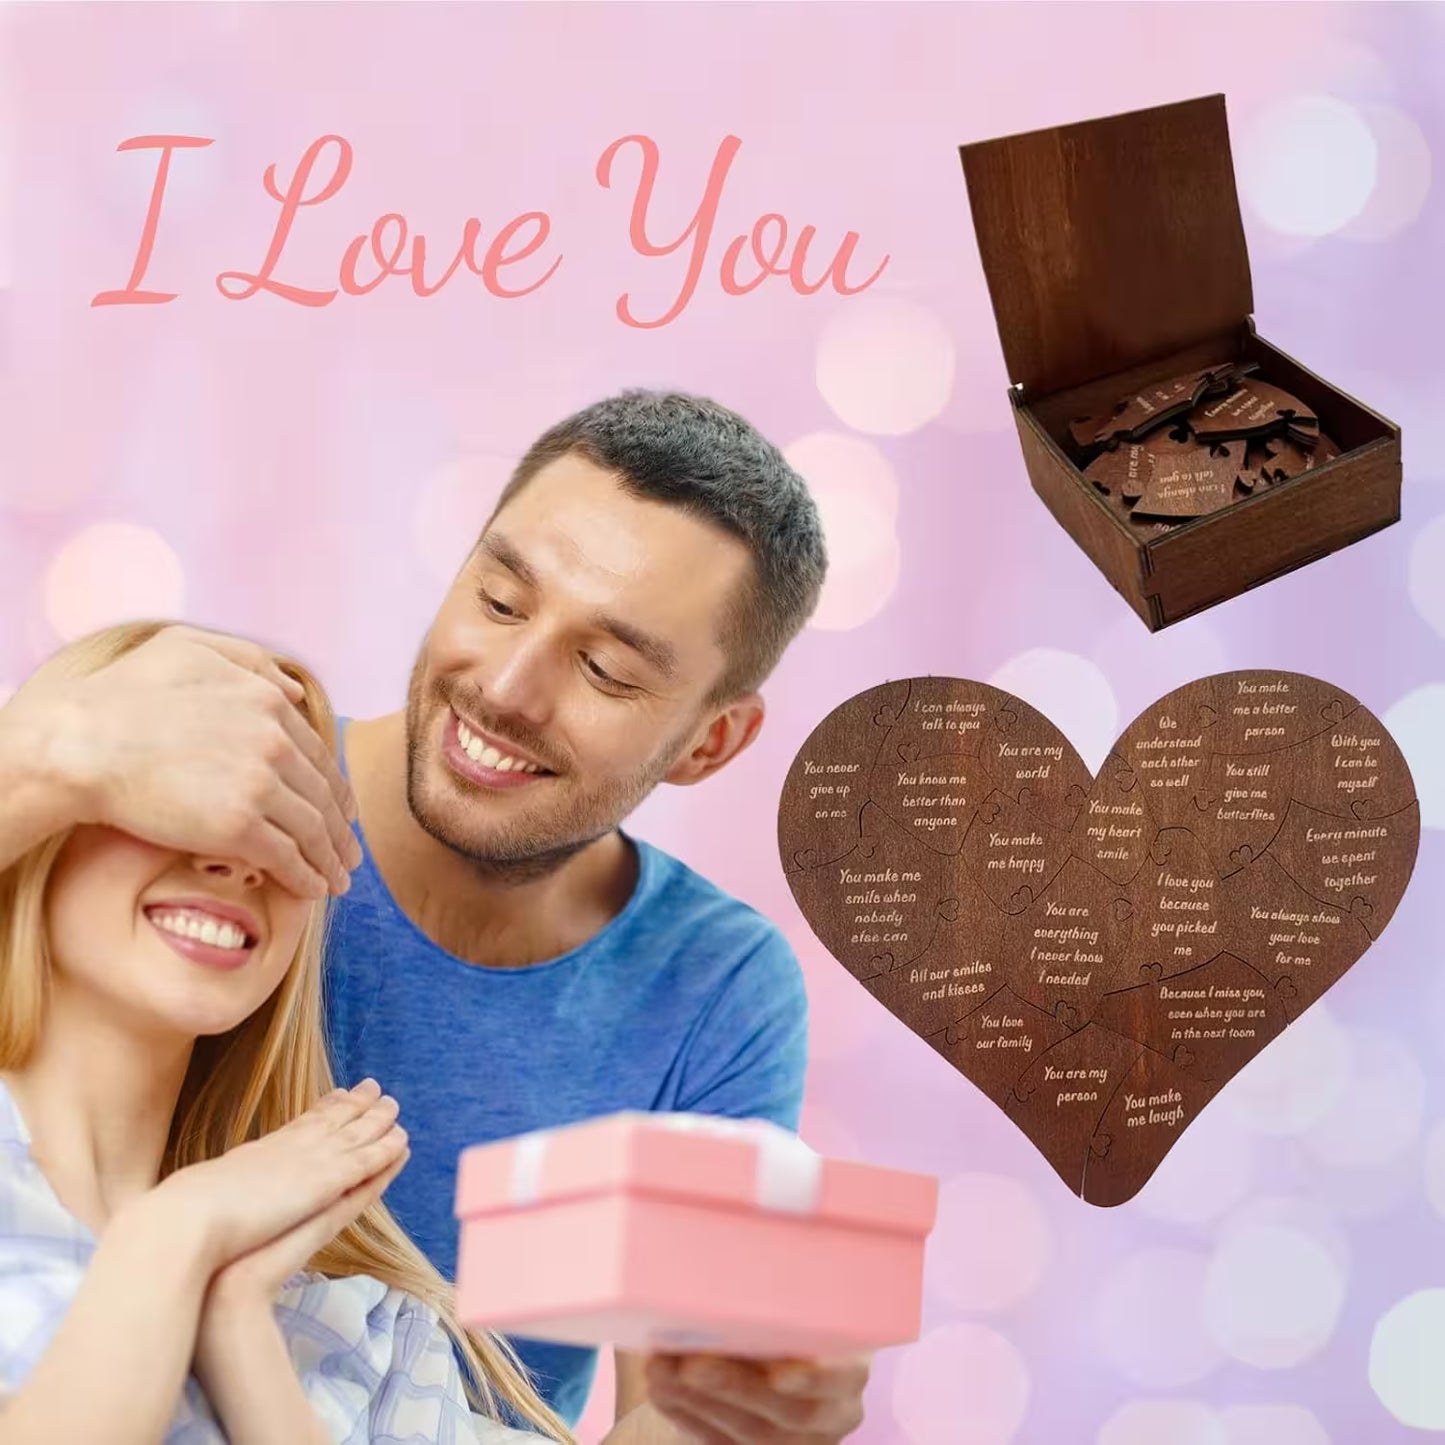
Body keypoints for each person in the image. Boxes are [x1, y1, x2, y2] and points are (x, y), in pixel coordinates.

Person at [0, 390, 870, 1443]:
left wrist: (738, 1412)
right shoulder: (197, 804)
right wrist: (43, 758)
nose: (507, 687)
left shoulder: (709, 988)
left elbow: (675, 1406)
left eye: (604, 669)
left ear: (707, 743)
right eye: (499, 600)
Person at [0, 621, 573, 1444]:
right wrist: (168, 1238)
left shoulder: (374, 1333)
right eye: (177, 795)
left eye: (286, 817)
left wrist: (240, 1332)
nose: (237, 856)